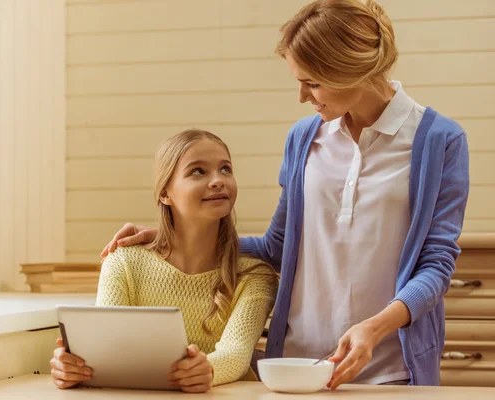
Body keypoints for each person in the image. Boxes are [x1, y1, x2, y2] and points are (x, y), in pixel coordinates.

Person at [99, 0, 470, 389]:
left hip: (390, 366)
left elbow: (435, 265)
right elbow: (277, 246)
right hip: (296, 364)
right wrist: (172, 237)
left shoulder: (439, 141)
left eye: (313, 82)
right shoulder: (304, 139)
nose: (302, 96)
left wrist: (374, 329)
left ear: (350, 71)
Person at [50, 129, 278, 393]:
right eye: (197, 171)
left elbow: (235, 355)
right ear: (165, 194)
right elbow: (108, 351)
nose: (218, 180)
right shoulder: (123, 262)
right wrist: (75, 368)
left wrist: (208, 370)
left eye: (225, 169)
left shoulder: (254, 276)